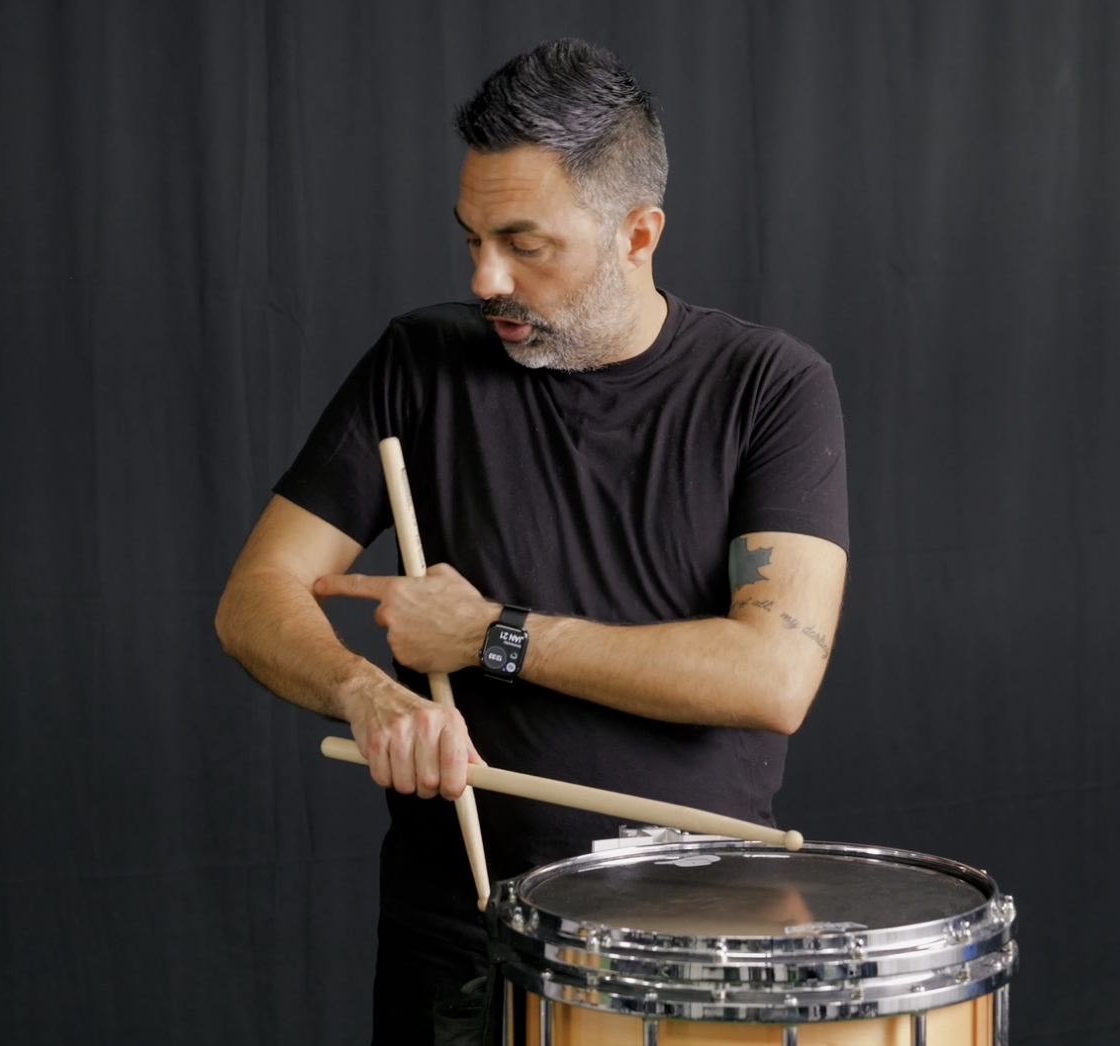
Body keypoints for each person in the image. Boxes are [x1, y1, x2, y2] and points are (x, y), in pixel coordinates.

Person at [214, 38, 849, 1044]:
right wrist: (364, 692)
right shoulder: (419, 360)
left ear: (638, 234)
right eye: (469, 237)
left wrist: (488, 635)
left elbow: (772, 673)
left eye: (524, 242)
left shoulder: (769, 387)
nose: (484, 275)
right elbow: (254, 595)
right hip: (465, 935)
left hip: (691, 943)